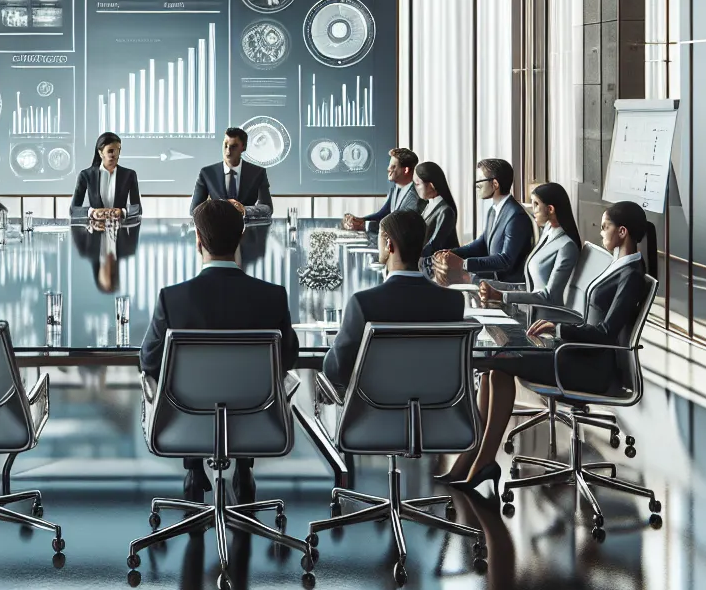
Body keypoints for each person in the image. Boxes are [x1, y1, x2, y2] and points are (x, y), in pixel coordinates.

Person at [444, 200, 658, 492]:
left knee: (497, 361)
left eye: (605, 226)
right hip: (576, 353)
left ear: (622, 232)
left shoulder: (631, 274)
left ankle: (478, 459)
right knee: (496, 371)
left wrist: (559, 329)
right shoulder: (620, 265)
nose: (601, 232)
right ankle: (478, 458)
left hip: (589, 367)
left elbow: (607, 332)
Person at [139, 200, 297, 502]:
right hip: (256, 419)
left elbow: (148, 360)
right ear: (241, 237)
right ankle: (243, 466)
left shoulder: (173, 299)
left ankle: (194, 466)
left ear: (197, 238)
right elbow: (288, 359)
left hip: (187, 420)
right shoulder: (272, 296)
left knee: (177, 383)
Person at [322, 211, 466, 387]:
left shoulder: (363, 304)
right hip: (436, 407)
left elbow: (337, 370)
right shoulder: (454, 302)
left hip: (376, 408)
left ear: (389, 244)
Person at [477, 181, 581, 310]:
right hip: (529, 311)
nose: (532, 209)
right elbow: (528, 286)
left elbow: (549, 297)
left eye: (536, 204)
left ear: (550, 209)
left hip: (544, 319)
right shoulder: (548, 232)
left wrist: (502, 296)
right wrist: (491, 285)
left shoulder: (567, 246)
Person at [433, 158, 532, 285]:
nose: (476, 185)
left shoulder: (516, 216)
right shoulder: (493, 210)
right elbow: (482, 244)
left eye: (480, 180)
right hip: (491, 278)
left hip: (505, 284)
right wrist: (450, 253)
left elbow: (506, 260)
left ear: (495, 184)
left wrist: (463, 264)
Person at [190, 127, 274, 220]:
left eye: (233, 146)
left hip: (248, 231)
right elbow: (194, 210)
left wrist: (244, 210)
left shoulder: (258, 173)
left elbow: (268, 208)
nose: (228, 151)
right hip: (217, 231)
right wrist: (218, 209)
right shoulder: (207, 173)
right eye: (225, 145)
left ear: (243, 147)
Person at [341, 147, 423, 231]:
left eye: (393, 166)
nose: (388, 169)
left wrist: (364, 225)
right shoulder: (395, 189)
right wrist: (359, 220)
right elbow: (384, 214)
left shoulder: (414, 197)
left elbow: (400, 227)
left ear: (406, 170)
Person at [71, 131, 142, 222]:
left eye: (118, 150)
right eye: (110, 151)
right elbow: (73, 209)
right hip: (95, 231)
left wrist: (122, 212)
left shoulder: (129, 175)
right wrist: (92, 212)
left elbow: (137, 208)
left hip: (120, 231)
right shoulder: (86, 175)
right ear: (100, 153)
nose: (115, 155)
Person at [413, 160, 460, 259]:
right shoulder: (426, 205)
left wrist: (412, 258)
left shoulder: (446, 211)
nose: (415, 188)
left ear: (431, 185)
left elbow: (434, 244)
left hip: (442, 267)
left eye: (417, 184)